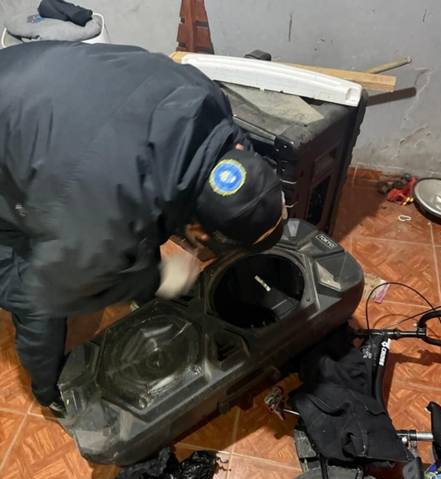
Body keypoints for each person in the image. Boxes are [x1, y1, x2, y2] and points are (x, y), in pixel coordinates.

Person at [0, 42, 285, 415]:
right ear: (199, 232)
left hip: (29, 83)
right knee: (27, 284)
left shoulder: (209, 100)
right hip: (26, 135)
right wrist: (156, 279)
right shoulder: (96, 212)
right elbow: (51, 289)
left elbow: (153, 190)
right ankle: (49, 390)